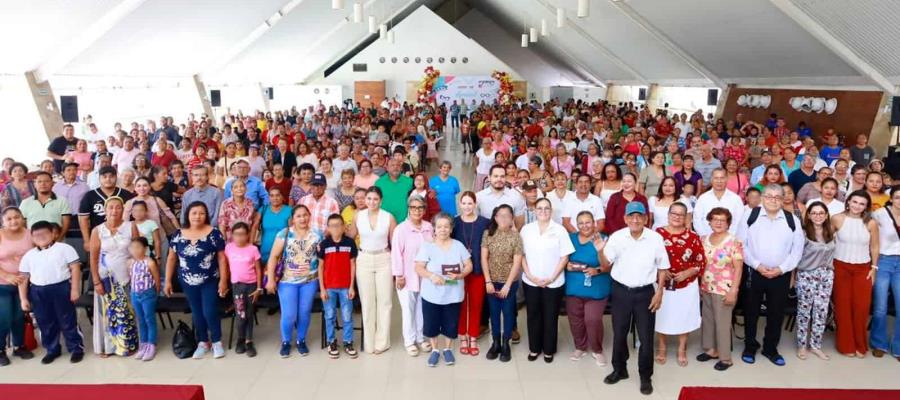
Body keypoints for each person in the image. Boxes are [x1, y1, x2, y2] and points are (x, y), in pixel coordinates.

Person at [601, 201, 669, 395]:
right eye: (631, 216)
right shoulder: (617, 237)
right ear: (625, 218)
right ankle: (619, 369)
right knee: (619, 333)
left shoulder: (655, 238)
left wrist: (659, 291)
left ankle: (645, 376)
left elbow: (663, 266)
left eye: (639, 216)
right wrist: (599, 249)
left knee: (646, 338)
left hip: (645, 293)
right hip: (621, 291)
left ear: (646, 219)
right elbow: (605, 265)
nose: (635, 219)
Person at [737, 184, 805, 366]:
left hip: (780, 274)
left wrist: (782, 269)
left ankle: (770, 348)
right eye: (769, 196)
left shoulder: (792, 220)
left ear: (783, 200)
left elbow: (797, 250)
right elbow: (740, 244)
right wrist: (757, 266)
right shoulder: (750, 216)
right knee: (751, 312)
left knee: (776, 313)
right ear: (762, 198)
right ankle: (750, 346)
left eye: (777, 197)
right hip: (755, 272)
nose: (773, 200)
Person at [165, 201, 228, 359]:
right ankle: (202, 342)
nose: (197, 216)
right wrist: (167, 281)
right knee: (197, 312)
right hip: (187, 281)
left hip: (210, 280)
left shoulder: (214, 233)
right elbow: (172, 259)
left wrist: (224, 280)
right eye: (194, 213)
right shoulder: (178, 234)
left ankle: (216, 341)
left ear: (206, 215)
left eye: (201, 213)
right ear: (187, 215)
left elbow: (221, 259)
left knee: (209, 310)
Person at [17, 221, 84, 364]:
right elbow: (23, 279)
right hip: (38, 291)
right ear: (32, 237)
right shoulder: (29, 255)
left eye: (44, 233)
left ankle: (76, 348)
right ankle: (52, 349)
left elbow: (75, 268)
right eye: (36, 235)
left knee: (67, 320)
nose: (40, 237)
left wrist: (75, 289)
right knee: (45, 321)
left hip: (61, 288)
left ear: (53, 233)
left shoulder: (65, 248)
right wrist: (23, 299)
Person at [414, 212, 474, 367]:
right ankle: (435, 350)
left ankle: (447, 349)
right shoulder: (427, 246)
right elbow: (418, 267)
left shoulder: (458, 246)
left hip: (453, 294)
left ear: (451, 228)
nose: (443, 229)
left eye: (446, 226)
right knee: (432, 324)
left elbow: (469, 265)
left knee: (451, 323)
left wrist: (460, 275)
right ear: (434, 228)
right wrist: (431, 276)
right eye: (439, 226)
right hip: (431, 294)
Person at [521, 197, 575, 363]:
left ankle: (549, 350)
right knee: (533, 315)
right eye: (540, 208)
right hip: (531, 281)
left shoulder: (559, 230)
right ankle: (534, 348)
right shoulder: (526, 229)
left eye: (546, 208)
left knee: (550, 316)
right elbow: (521, 255)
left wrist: (552, 277)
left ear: (551, 211)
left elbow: (565, 256)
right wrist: (530, 275)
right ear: (534, 211)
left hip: (554, 282)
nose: (543, 211)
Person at [264, 205, 321, 358]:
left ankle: (301, 340)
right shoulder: (285, 234)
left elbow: (323, 260)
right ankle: (286, 341)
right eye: (298, 216)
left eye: (305, 215)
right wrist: (270, 279)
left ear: (309, 216)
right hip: (287, 280)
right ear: (293, 219)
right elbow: (273, 257)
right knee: (289, 315)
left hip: (310, 280)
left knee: (304, 313)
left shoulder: (317, 234)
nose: (302, 219)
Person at [654, 202, 706, 367]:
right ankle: (662, 347)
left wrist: (688, 272)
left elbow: (701, 260)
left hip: (686, 284)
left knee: (684, 316)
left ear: (686, 218)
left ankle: (681, 348)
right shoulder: (657, 234)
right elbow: (649, 257)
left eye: (680, 214)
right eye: (673, 213)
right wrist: (660, 270)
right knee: (662, 316)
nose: (676, 217)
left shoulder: (692, 236)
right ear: (668, 215)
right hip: (662, 283)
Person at [88, 196, 138, 357]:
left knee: (127, 312)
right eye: (111, 207)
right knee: (107, 313)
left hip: (126, 277)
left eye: (118, 207)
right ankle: (108, 347)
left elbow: (138, 252)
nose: (114, 210)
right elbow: (94, 258)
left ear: (123, 210)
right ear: (105, 210)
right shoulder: (97, 230)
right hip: (105, 279)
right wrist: (96, 281)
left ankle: (127, 345)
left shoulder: (131, 227)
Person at [831, 190, 879, 357]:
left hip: (863, 269)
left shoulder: (871, 223)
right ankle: (846, 346)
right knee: (842, 307)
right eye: (855, 202)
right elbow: (827, 241)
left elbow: (874, 246)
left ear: (866, 207)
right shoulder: (837, 218)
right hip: (840, 266)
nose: (857, 206)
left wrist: (874, 268)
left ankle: (860, 344)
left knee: (861, 307)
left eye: (862, 204)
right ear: (848, 201)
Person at [349, 187, 396, 354]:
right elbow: (350, 237)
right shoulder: (358, 216)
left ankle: (382, 342)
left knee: (385, 302)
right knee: (367, 302)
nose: (371, 202)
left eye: (375, 199)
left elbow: (395, 243)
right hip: (364, 259)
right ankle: (369, 342)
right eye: (368, 198)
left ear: (381, 200)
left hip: (384, 258)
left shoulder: (388, 217)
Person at [698, 207, 743, 371]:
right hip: (706, 286)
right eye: (715, 219)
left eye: (722, 220)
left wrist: (734, 290)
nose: (718, 222)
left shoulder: (734, 242)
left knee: (722, 323)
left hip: (725, 289)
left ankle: (725, 358)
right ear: (709, 221)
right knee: (708, 320)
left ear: (728, 223)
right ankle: (711, 350)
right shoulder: (704, 239)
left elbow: (738, 268)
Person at [565, 211, 611, 366]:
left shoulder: (603, 239)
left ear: (594, 223)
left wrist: (597, 266)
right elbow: (561, 258)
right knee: (575, 319)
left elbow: (608, 266)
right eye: (581, 223)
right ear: (576, 225)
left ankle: (597, 350)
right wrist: (567, 265)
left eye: (588, 222)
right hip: (574, 286)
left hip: (597, 288)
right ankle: (580, 347)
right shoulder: (570, 239)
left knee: (592, 319)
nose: (585, 226)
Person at [391, 196, 435, 356]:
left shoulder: (429, 227)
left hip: (425, 276)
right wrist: (399, 275)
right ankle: (409, 341)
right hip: (407, 276)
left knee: (421, 309)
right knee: (408, 310)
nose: (417, 211)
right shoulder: (401, 229)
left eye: (420, 208)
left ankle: (420, 337)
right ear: (408, 209)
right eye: (413, 207)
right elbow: (396, 254)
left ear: (424, 210)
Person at [794, 202, 836, 361]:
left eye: (821, 213)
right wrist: (794, 277)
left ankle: (816, 345)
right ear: (809, 215)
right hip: (807, 275)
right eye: (814, 213)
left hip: (826, 276)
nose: (818, 216)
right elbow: (796, 256)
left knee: (821, 311)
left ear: (826, 215)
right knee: (804, 312)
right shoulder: (803, 233)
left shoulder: (830, 232)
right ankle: (802, 345)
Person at [481, 204, 522, 362]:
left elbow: (517, 262)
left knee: (508, 312)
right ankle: (496, 342)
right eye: (500, 215)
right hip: (492, 282)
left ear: (512, 218)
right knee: (494, 313)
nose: (504, 218)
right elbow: (484, 258)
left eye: (507, 215)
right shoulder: (488, 234)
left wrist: (507, 285)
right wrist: (488, 281)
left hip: (509, 283)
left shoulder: (515, 236)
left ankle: (506, 343)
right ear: (495, 217)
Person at [452, 191, 491, 356]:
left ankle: (473, 336)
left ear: (475, 204)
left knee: (476, 304)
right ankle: (462, 336)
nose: (467, 206)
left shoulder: (485, 223)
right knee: (460, 304)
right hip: (459, 271)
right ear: (459, 204)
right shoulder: (453, 223)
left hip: (478, 270)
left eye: (470, 203)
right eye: (464, 203)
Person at [318, 214, 359, 359]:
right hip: (329, 287)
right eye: (332, 226)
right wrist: (322, 289)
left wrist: (351, 286)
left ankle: (348, 342)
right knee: (329, 316)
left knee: (347, 316)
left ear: (343, 227)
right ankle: (331, 341)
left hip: (345, 287)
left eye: (338, 225)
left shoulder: (350, 243)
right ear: (328, 228)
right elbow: (320, 267)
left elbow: (353, 264)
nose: (335, 228)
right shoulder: (324, 245)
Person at [0, 207, 35, 365]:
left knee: (19, 316)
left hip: (24, 284)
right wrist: (7, 275)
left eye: (16, 217)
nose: (13, 221)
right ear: (3, 221)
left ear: (22, 218)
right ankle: (1, 350)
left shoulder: (29, 234)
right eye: (9, 219)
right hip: (3, 283)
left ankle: (19, 346)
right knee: (4, 317)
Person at [224, 222, 262, 358]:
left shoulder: (253, 249)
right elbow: (226, 266)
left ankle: (249, 340)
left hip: (251, 286)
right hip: (237, 286)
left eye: (242, 234)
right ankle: (240, 338)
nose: (239, 237)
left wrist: (258, 288)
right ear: (232, 235)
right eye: (236, 234)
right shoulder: (228, 248)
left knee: (249, 313)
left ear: (247, 235)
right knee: (240, 314)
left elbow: (258, 269)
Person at [871, 186, 900, 359]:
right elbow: (869, 232)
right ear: (891, 198)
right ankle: (878, 343)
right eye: (897, 197)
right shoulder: (880, 213)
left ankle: (898, 345)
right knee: (880, 306)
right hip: (884, 261)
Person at [127, 237, 160, 361]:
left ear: (145, 249)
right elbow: (131, 278)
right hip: (135, 294)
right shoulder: (130, 262)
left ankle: (151, 344)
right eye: (132, 247)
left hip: (148, 294)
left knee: (149, 319)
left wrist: (155, 293)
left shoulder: (149, 262)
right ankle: (143, 343)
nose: (135, 250)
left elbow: (156, 279)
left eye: (138, 247)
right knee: (140, 319)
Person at [693, 169, 744, 237]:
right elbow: (697, 219)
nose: (719, 181)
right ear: (711, 180)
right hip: (706, 240)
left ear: (726, 179)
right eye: (716, 178)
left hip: (730, 241)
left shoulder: (736, 199)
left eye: (722, 178)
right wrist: (704, 236)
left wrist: (729, 237)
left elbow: (739, 221)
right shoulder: (703, 198)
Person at [256, 188, 291, 266]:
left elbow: (292, 232)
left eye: (277, 195)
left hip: (282, 251)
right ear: (269, 197)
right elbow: (254, 227)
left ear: (282, 197)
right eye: (272, 196)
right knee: (265, 276)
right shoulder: (263, 209)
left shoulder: (289, 210)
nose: (275, 198)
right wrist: (250, 246)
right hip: (265, 250)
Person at [375, 159, 414, 223]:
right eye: (392, 165)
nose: (395, 167)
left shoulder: (409, 181)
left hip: (405, 221)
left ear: (401, 168)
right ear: (387, 168)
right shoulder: (379, 182)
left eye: (398, 165)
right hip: (385, 221)